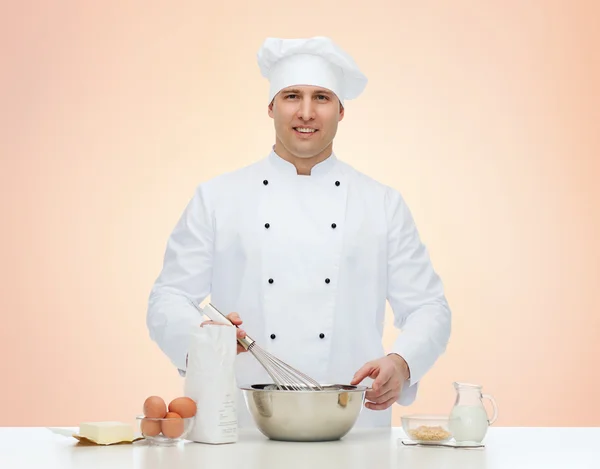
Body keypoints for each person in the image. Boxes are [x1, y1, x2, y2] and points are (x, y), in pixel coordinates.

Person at [146, 36, 451, 428]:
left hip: (353, 429)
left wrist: (402, 363)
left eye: (321, 98)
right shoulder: (218, 198)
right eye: (292, 96)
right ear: (271, 107)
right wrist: (206, 340)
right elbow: (168, 297)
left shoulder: (382, 204)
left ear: (341, 111)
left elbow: (429, 307)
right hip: (242, 426)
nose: (306, 112)